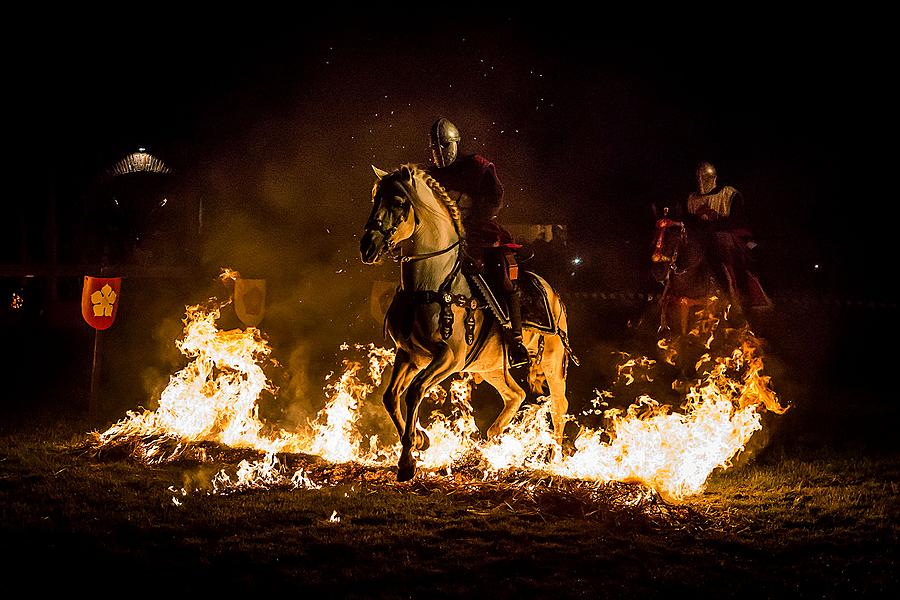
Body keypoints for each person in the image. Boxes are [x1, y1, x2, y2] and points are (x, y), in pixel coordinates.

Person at [425, 117, 530, 368]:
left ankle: (515, 338)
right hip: (443, 237)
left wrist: (472, 218)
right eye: (434, 148)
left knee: (500, 270)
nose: (439, 153)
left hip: (476, 231)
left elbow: (495, 197)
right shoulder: (429, 174)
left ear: (454, 144)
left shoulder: (477, 166)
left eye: (444, 146)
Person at [677, 161, 772, 313]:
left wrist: (716, 218)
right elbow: (689, 222)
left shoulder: (728, 194)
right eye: (699, 179)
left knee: (724, 246)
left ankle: (737, 294)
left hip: (724, 233)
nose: (702, 182)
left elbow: (738, 219)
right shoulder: (691, 199)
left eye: (705, 179)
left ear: (714, 178)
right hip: (700, 237)